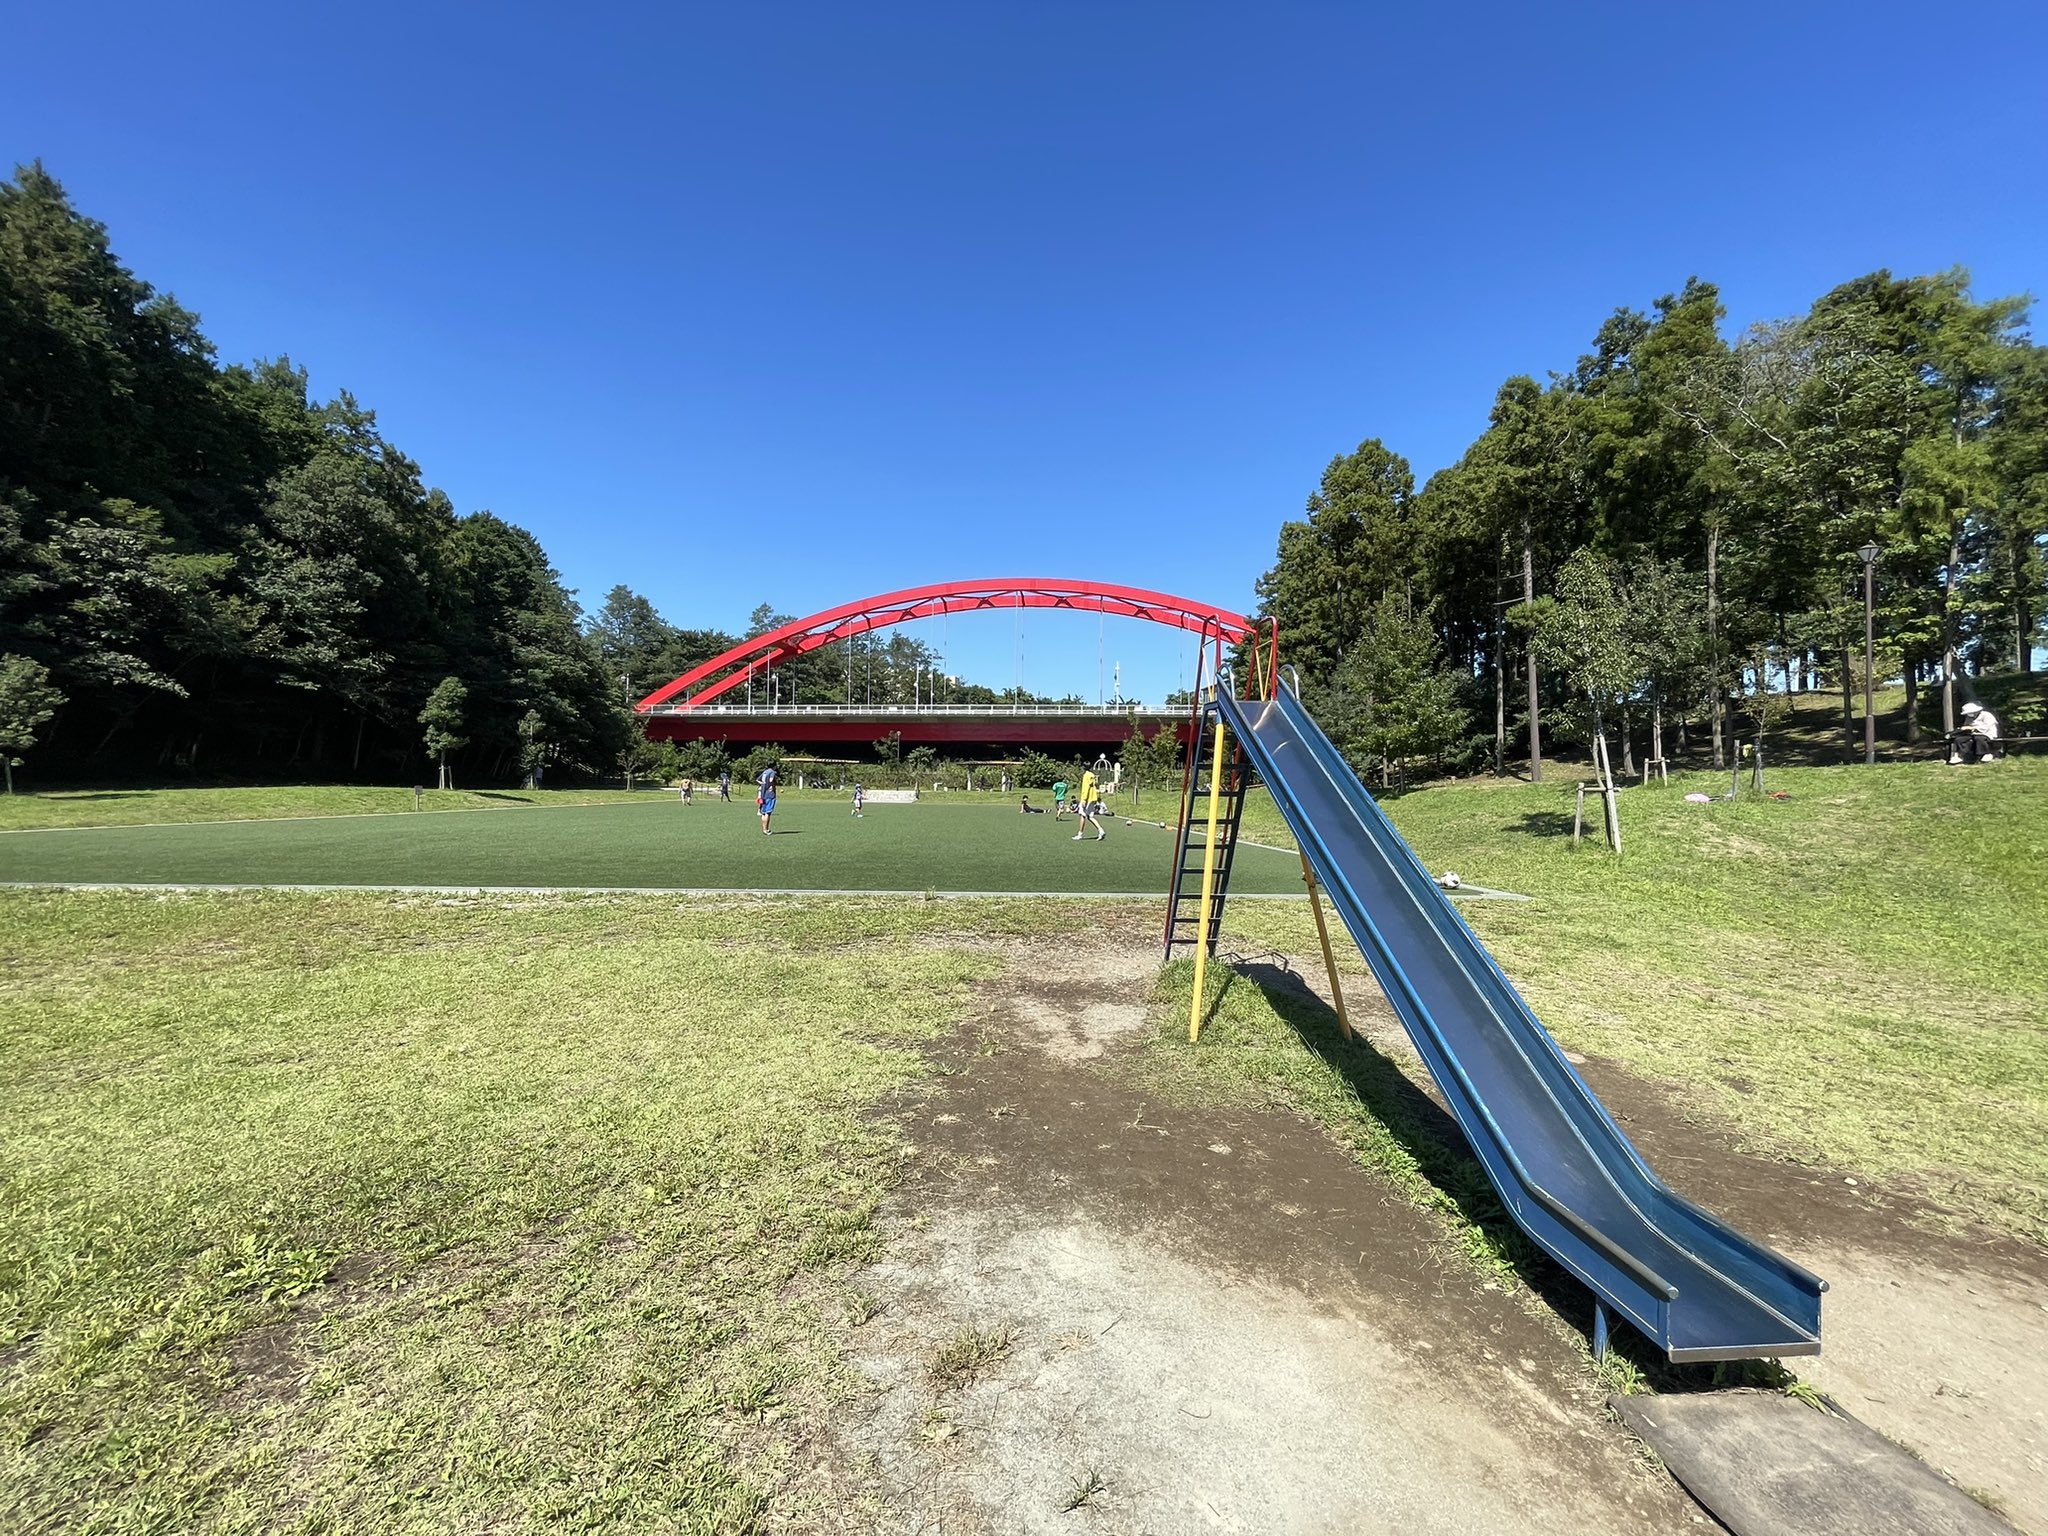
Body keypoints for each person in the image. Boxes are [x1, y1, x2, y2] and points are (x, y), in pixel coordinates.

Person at [1072, 767, 1105, 841]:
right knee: (1090, 816)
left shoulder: (1086, 775)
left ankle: (1080, 834)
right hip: (1093, 797)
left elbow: (1086, 788)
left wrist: (1084, 799)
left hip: (1087, 799)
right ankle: (1101, 830)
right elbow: (1095, 785)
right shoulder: (1092, 775)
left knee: (1082, 815)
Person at [757, 763, 778, 834]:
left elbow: (758, 780)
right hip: (769, 795)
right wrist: (770, 786)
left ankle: (764, 829)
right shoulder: (772, 772)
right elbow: (771, 780)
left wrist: (763, 785)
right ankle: (766, 830)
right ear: (774, 766)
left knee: (763, 813)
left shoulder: (765, 772)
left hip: (763, 794)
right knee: (768, 813)